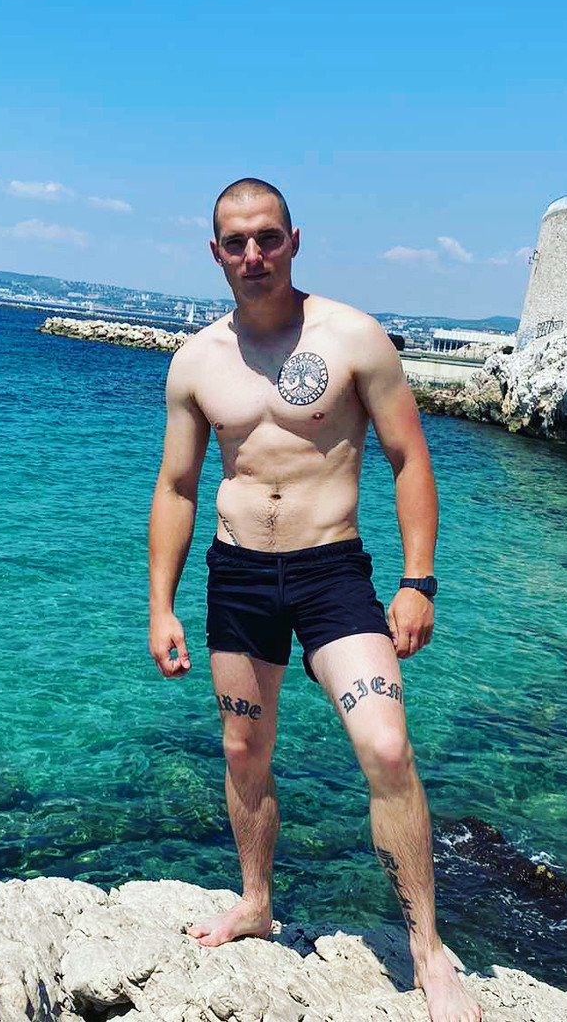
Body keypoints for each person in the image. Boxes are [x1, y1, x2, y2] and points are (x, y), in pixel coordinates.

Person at [148, 178, 482, 1022]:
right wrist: (161, 605)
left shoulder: (353, 337)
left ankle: (428, 951)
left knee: (387, 747)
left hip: (332, 574)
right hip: (239, 575)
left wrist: (418, 580)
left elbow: (409, 457)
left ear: (294, 240)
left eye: (268, 237)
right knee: (243, 750)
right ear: (215, 251)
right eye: (236, 241)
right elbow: (178, 485)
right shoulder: (196, 361)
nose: (253, 254)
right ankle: (256, 904)